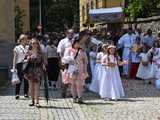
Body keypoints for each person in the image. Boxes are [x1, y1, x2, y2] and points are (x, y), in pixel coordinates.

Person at [62, 38, 88, 103]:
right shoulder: (69, 50)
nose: (78, 44)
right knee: (73, 83)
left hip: (80, 68)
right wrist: (69, 59)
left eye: (79, 43)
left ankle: (80, 97)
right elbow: (64, 59)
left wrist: (85, 70)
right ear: (73, 43)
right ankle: (74, 97)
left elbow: (85, 61)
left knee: (79, 84)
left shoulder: (82, 51)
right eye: (76, 43)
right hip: (72, 68)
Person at [24, 38, 47, 107]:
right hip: (30, 70)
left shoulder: (40, 52)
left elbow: (44, 61)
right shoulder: (28, 52)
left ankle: (37, 102)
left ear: (38, 44)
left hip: (38, 71)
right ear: (30, 44)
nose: (34, 44)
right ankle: (32, 101)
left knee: (37, 87)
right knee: (31, 87)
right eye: (33, 43)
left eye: (35, 43)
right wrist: (27, 59)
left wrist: (44, 65)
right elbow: (24, 60)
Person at [57, 29, 74, 98]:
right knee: (64, 78)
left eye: (72, 33)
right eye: (69, 33)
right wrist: (61, 61)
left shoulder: (75, 41)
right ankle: (63, 92)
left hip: (73, 63)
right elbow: (59, 51)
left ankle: (71, 93)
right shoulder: (63, 41)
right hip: (65, 62)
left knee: (72, 77)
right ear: (66, 34)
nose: (71, 35)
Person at [12, 34, 29, 99]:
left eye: (26, 39)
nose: (26, 40)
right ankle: (17, 94)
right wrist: (14, 67)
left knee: (26, 79)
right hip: (20, 64)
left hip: (27, 64)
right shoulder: (17, 48)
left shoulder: (28, 47)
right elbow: (15, 58)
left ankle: (25, 93)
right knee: (19, 79)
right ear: (21, 40)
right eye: (25, 39)